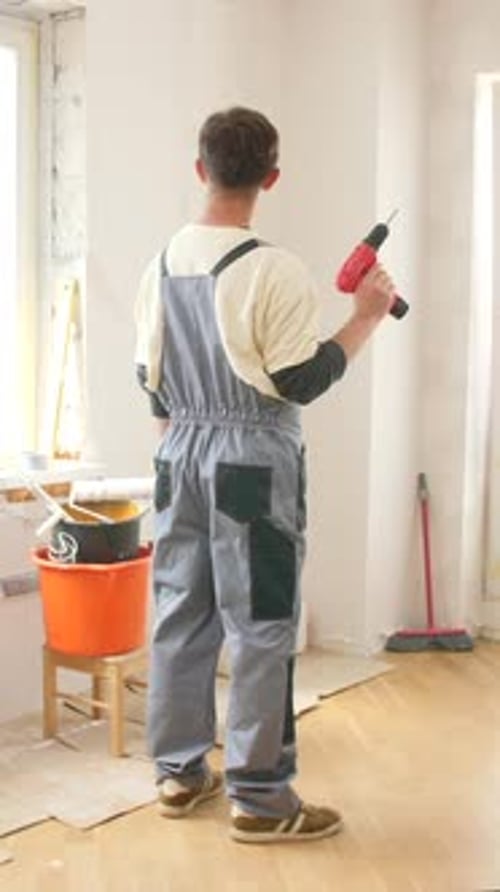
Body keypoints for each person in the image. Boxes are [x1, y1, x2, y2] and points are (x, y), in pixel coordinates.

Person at [134, 106, 395, 844]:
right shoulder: (271, 268)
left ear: (199, 169)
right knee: (262, 625)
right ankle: (261, 797)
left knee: (181, 614)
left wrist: (187, 448)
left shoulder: (158, 264)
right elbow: (300, 379)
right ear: (271, 178)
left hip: (176, 456)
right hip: (250, 462)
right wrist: (365, 316)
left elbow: (150, 385)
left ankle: (180, 774)